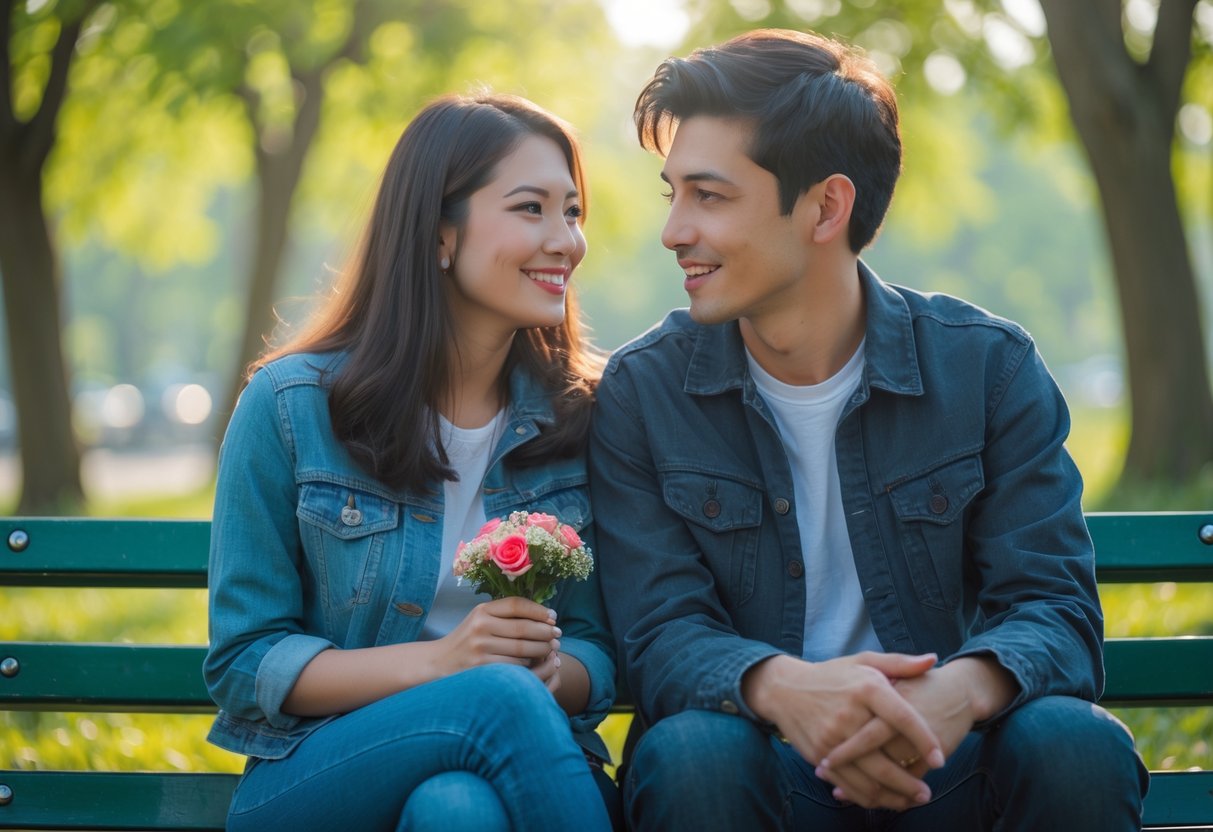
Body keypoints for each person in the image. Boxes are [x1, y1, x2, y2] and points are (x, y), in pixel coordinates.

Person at [589, 28, 1148, 831]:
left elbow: (1052, 609)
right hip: (759, 768)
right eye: (671, 193)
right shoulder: (645, 392)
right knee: (692, 756)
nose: (674, 229)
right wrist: (787, 692)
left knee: (1072, 742)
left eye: (708, 196)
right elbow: (657, 633)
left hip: (946, 765)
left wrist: (951, 697)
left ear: (826, 206)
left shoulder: (986, 370)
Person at [204, 93, 616, 832]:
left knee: (455, 810)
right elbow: (244, 660)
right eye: (530, 209)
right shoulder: (291, 406)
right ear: (437, 236)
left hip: (514, 763)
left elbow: (599, 649)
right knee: (497, 699)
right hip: (320, 770)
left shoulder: (584, 415)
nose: (566, 241)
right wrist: (446, 667)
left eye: (573, 212)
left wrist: (555, 672)